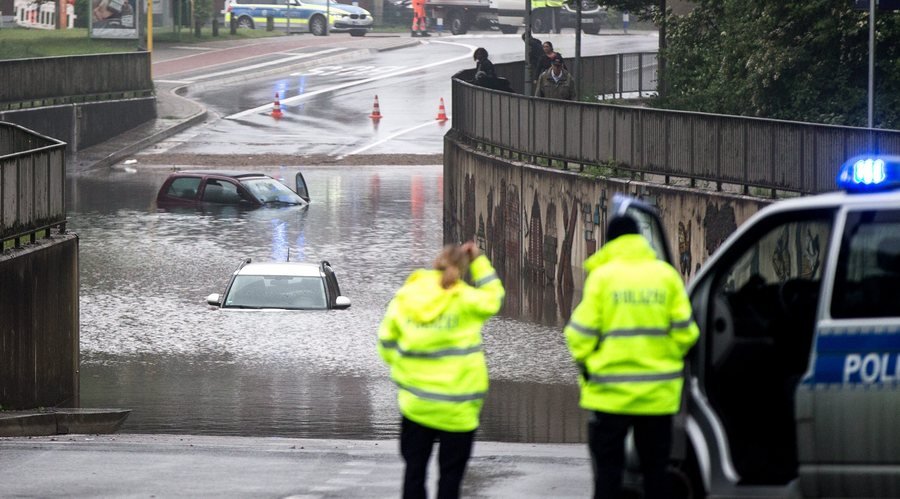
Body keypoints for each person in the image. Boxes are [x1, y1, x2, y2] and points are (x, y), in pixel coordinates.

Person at [563, 216, 699, 499]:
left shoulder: (602, 278)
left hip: (610, 397)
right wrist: (667, 360)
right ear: (640, 239)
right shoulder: (666, 276)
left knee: (608, 473)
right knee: (656, 473)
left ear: (611, 242)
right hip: (657, 397)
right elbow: (687, 334)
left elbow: (578, 334)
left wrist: (587, 364)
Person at [378, 241, 505, 499]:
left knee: (414, 473)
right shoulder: (466, 299)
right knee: (450, 477)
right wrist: (479, 262)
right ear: (462, 267)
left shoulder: (407, 297)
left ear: (437, 262)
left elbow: (386, 343)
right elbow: (495, 296)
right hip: (459, 408)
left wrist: (406, 372)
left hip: (417, 404)